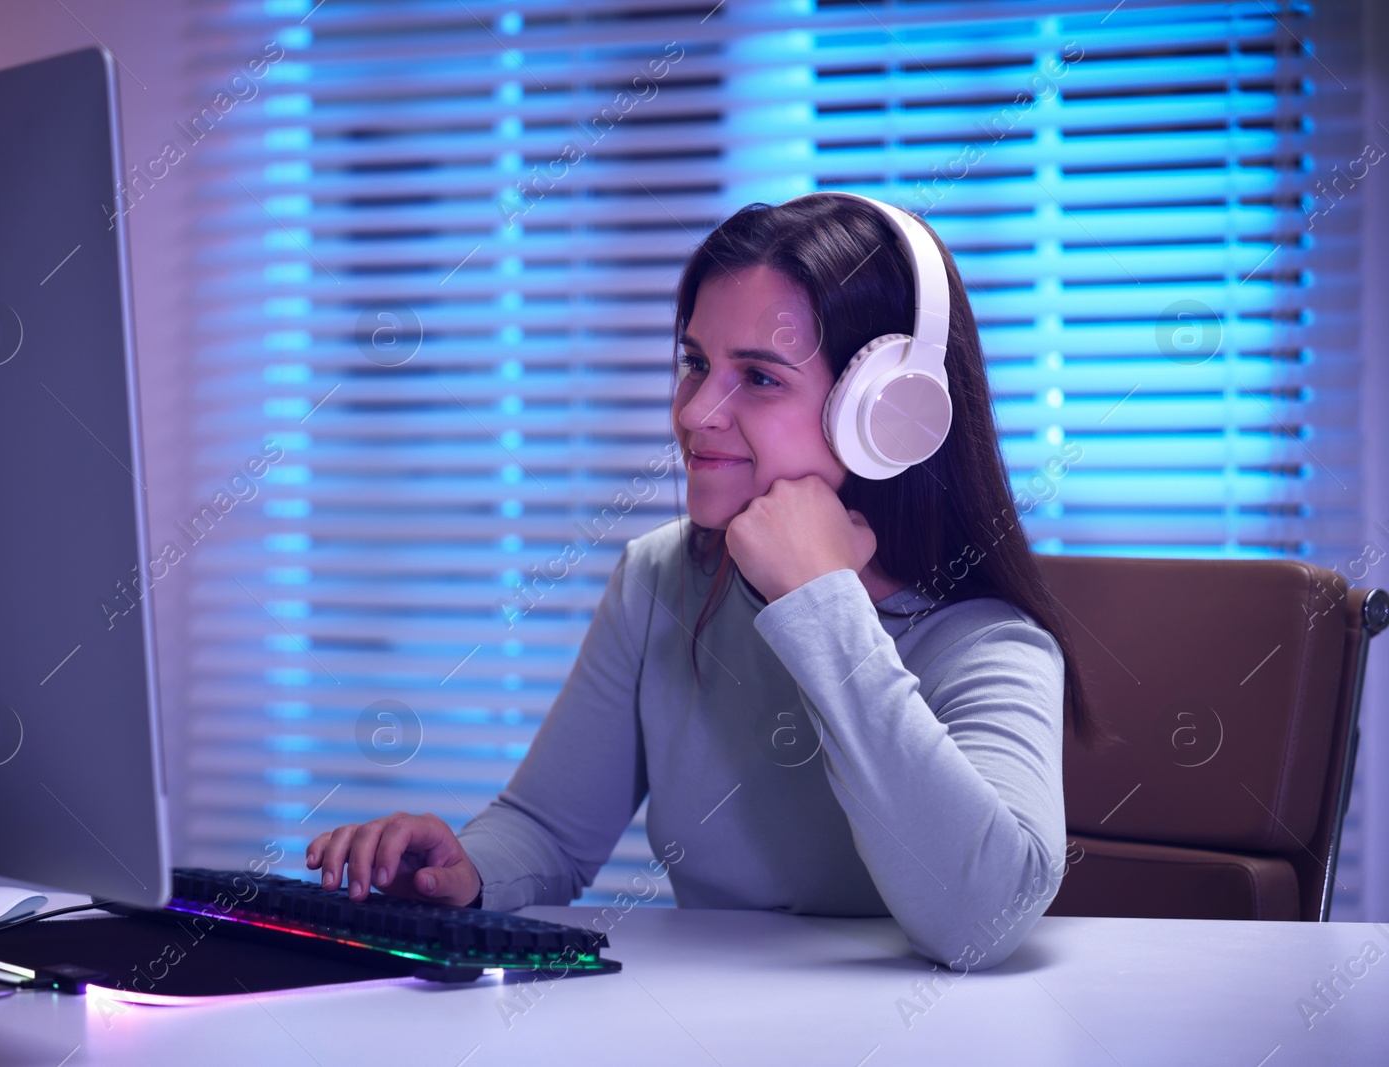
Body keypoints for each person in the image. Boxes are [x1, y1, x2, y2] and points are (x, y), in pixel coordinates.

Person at [305, 192, 1101, 971]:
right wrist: (463, 874)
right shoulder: (662, 579)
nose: (695, 413)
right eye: (695, 362)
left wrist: (819, 602)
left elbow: (982, 920)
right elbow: (549, 830)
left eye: (757, 377)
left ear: (885, 412)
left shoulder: (989, 641)